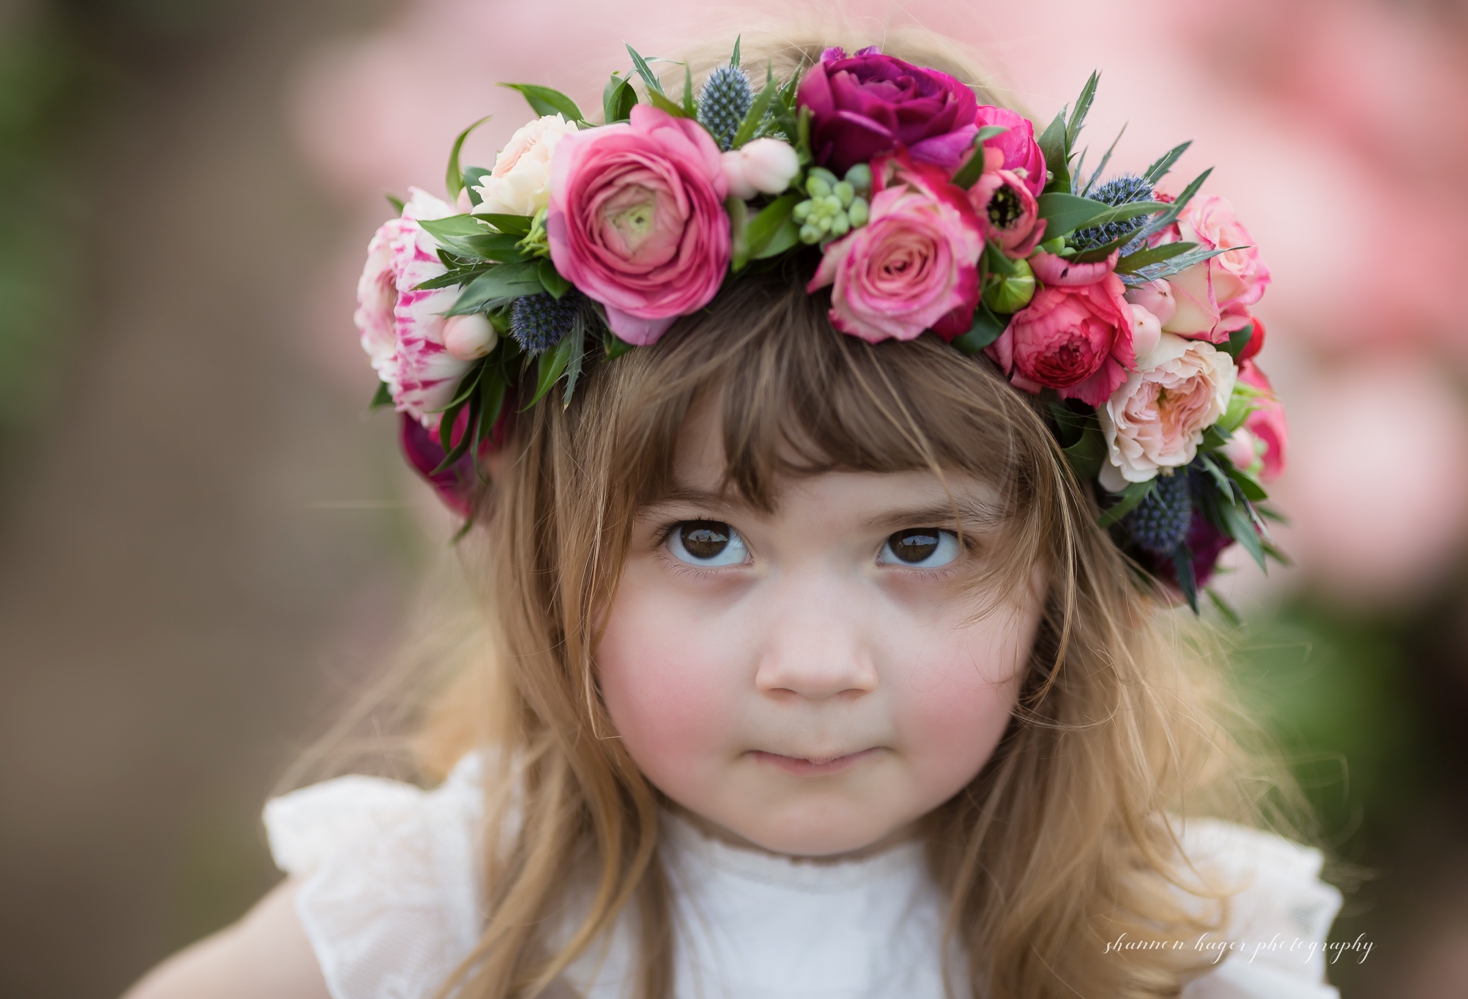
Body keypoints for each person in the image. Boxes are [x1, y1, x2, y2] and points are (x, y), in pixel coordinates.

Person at [124, 28, 1337, 999]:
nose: (814, 668)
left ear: (1057, 588)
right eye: (705, 540)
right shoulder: (432, 923)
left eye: (918, 544)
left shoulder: (1184, 957)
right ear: (558, 568)